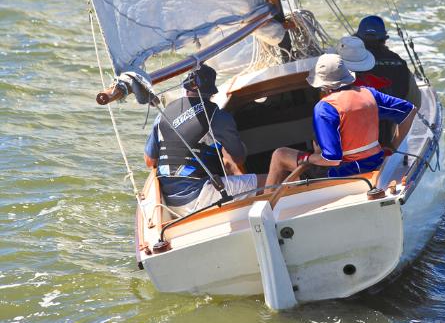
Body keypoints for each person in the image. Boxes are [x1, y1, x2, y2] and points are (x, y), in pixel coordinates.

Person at [265, 54, 417, 187]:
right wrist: (394, 146)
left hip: (341, 172)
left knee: (280, 155)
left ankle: (263, 203)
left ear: (325, 86)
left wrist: (309, 158)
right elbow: (410, 111)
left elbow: (332, 160)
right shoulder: (369, 94)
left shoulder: (324, 108)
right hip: (375, 163)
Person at [144, 63, 258, 216]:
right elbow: (238, 158)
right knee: (268, 182)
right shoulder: (217, 116)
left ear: (185, 89)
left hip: (167, 200)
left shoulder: (162, 114)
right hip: (199, 196)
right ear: (211, 93)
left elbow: (149, 161)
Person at [355, 15, 421, 107]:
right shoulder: (399, 63)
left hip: (352, 118)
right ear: (384, 39)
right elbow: (415, 103)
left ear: (357, 38)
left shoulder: (345, 62)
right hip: (392, 118)